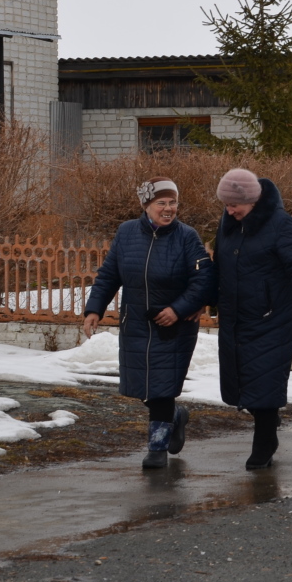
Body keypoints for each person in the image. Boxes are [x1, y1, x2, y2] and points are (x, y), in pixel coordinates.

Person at [84, 178, 214, 470]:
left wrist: (178, 309)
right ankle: (175, 416)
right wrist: (94, 309)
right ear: (146, 206)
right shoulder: (127, 232)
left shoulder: (187, 237)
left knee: (162, 386)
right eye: (161, 204)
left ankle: (157, 447)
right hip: (137, 323)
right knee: (140, 386)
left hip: (173, 327)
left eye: (173, 203)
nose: (169, 209)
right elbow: (109, 274)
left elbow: (203, 280)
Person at [212, 169, 292, 469]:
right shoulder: (228, 224)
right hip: (237, 318)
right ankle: (268, 422)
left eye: (234, 204)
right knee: (244, 382)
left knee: (265, 382)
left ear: (251, 200)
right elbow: (219, 268)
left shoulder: (281, 225)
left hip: (272, 318)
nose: (229, 210)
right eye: (225, 204)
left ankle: (264, 442)